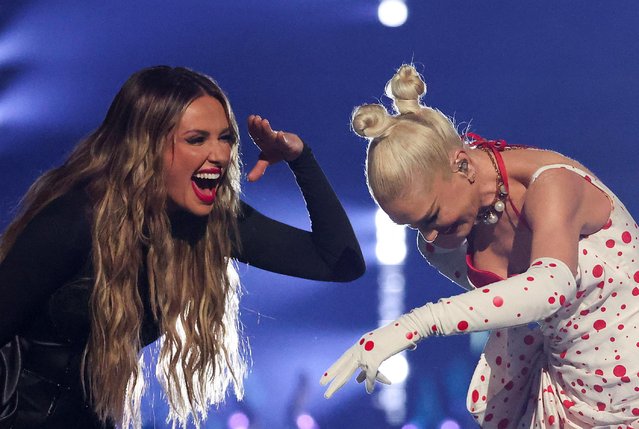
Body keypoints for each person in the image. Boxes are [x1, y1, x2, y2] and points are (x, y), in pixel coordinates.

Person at [0, 65, 365, 429]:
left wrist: (301, 159)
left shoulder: (210, 222)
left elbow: (338, 262)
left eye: (225, 138)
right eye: (197, 139)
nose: (219, 155)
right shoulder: (76, 220)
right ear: (146, 147)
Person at [320, 64, 639, 428]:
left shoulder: (552, 186)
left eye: (431, 217)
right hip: (566, 404)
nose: (429, 239)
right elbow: (516, 315)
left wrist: (415, 325)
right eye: (413, 227)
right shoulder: (446, 243)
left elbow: (551, 288)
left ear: (461, 164)